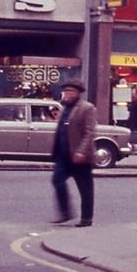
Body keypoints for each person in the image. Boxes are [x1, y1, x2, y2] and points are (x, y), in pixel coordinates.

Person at [51, 79, 97, 227]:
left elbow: (90, 133)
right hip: (63, 156)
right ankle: (66, 212)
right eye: (65, 91)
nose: (67, 94)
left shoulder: (87, 108)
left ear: (78, 93)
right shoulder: (65, 108)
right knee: (57, 180)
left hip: (79, 156)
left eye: (71, 91)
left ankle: (86, 218)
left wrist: (81, 152)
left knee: (85, 188)